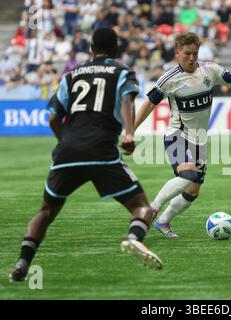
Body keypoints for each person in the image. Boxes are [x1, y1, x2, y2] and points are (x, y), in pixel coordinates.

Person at [9, 28, 163, 282]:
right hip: (101, 150)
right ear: (116, 49)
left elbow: (53, 117)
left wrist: (66, 143)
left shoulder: (71, 75)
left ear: (91, 49)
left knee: (46, 211)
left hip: (67, 151)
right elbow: (127, 101)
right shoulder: (122, 72)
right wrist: (128, 133)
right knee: (141, 207)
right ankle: (134, 239)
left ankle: (21, 264)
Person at [134, 32, 231, 238]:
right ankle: (152, 209)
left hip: (199, 139)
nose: (192, 58)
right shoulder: (169, 79)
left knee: (193, 190)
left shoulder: (210, 70)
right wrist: (130, 129)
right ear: (177, 53)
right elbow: (149, 103)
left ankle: (163, 222)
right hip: (177, 134)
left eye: (195, 53)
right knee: (187, 174)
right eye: (187, 53)